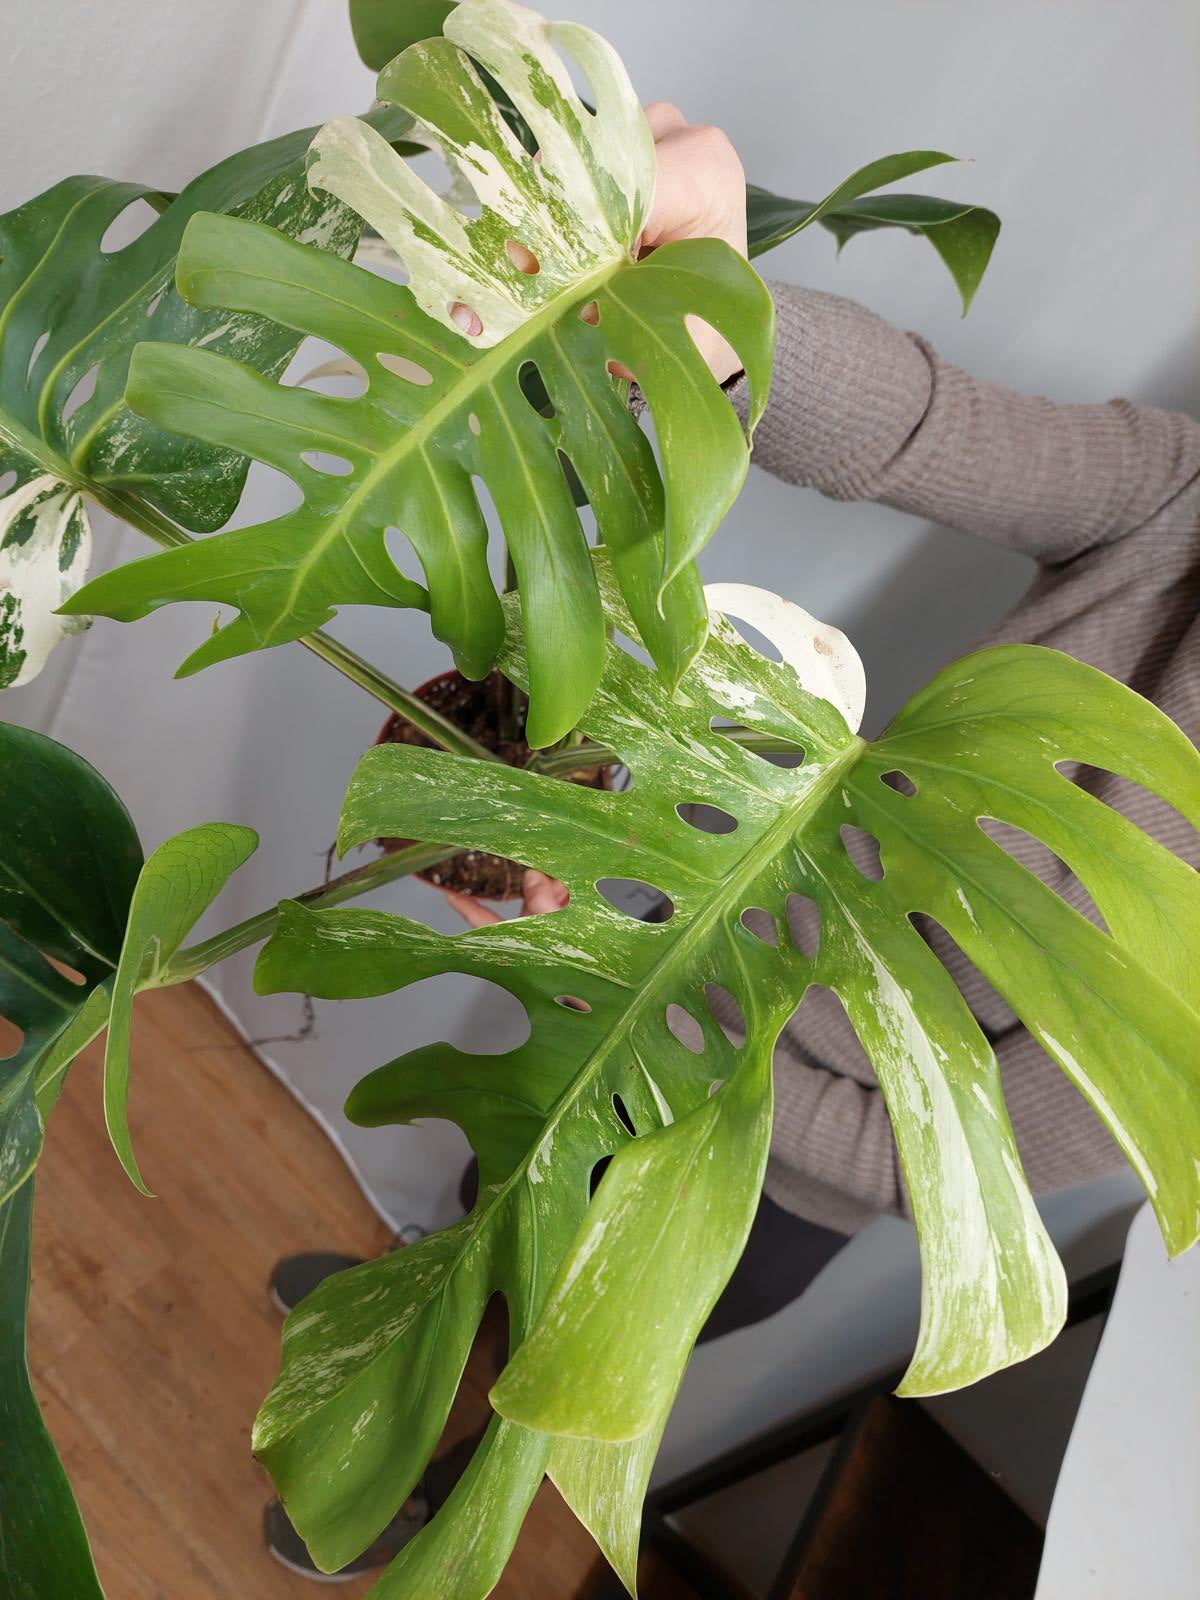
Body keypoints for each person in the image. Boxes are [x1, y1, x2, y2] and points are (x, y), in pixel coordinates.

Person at [267, 102, 1200, 1579]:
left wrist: (625, 963)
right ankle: (400, 1334)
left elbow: (961, 1158)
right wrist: (704, 321)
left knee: (573, 1327)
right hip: (697, 916)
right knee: (494, 1197)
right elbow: (919, 426)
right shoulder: (1187, 510)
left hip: (785, 1155)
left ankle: (430, 1470)